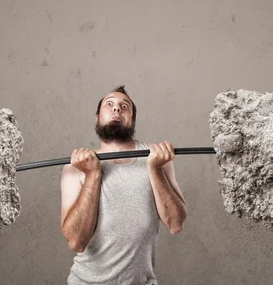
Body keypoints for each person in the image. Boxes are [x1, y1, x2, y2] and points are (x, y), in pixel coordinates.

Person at [60, 85, 187, 284]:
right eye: (109, 104)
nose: (116, 108)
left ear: (132, 119)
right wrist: (93, 174)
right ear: (97, 117)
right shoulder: (76, 167)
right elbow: (76, 241)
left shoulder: (158, 158)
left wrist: (154, 169)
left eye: (124, 106)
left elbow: (175, 223)